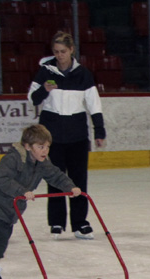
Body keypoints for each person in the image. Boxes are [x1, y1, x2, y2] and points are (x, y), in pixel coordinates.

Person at [0, 124, 81, 279]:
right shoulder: (13, 158)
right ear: (27, 146)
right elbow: (3, 180)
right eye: (40, 147)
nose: (45, 151)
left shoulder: (42, 162)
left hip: (12, 207)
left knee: (0, 234)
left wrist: (70, 187)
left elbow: (55, 175)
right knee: (0, 234)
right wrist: (22, 191)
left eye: (47, 147)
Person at [27, 31, 106, 240]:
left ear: (71, 50)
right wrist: (44, 89)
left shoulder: (84, 74)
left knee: (79, 180)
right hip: (51, 136)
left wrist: (99, 130)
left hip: (77, 134)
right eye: (56, 52)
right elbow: (33, 99)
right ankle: (56, 222)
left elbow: (94, 104)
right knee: (54, 178)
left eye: (63, 51)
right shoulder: (45, 72)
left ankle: (80, 223)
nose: (59, 55)